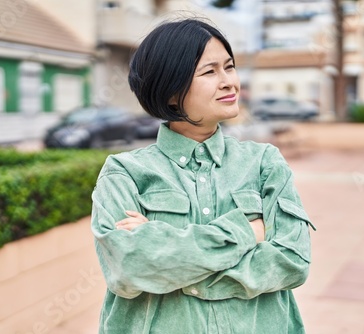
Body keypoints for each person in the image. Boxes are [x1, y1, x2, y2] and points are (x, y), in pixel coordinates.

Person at [91, 17, 315, 334]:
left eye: (230, 66)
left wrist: (175, 267)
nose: (229, 82)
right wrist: (248, 232)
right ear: (170, 91)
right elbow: (131, 268)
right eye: (209, 71)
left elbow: (292, 261)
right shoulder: (125, 173)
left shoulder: (264, 163)